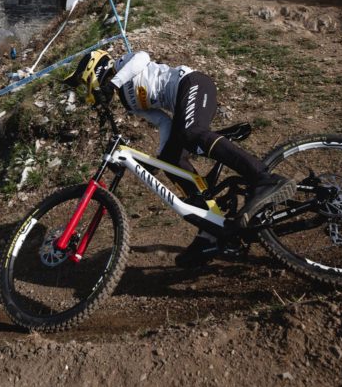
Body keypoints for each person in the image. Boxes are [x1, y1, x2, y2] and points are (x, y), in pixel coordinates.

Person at [64, 49, 290, 267]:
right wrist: (159, 159)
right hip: (182, 107)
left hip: (193, 84)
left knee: (191, 133)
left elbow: (143, 58)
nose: (86, 91)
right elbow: (164, 122)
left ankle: (263, 178)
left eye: (84, 84)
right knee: (171, 160)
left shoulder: (123, 65)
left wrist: (113, 84)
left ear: (93, 71)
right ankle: (212, 226)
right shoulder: (128, 104)